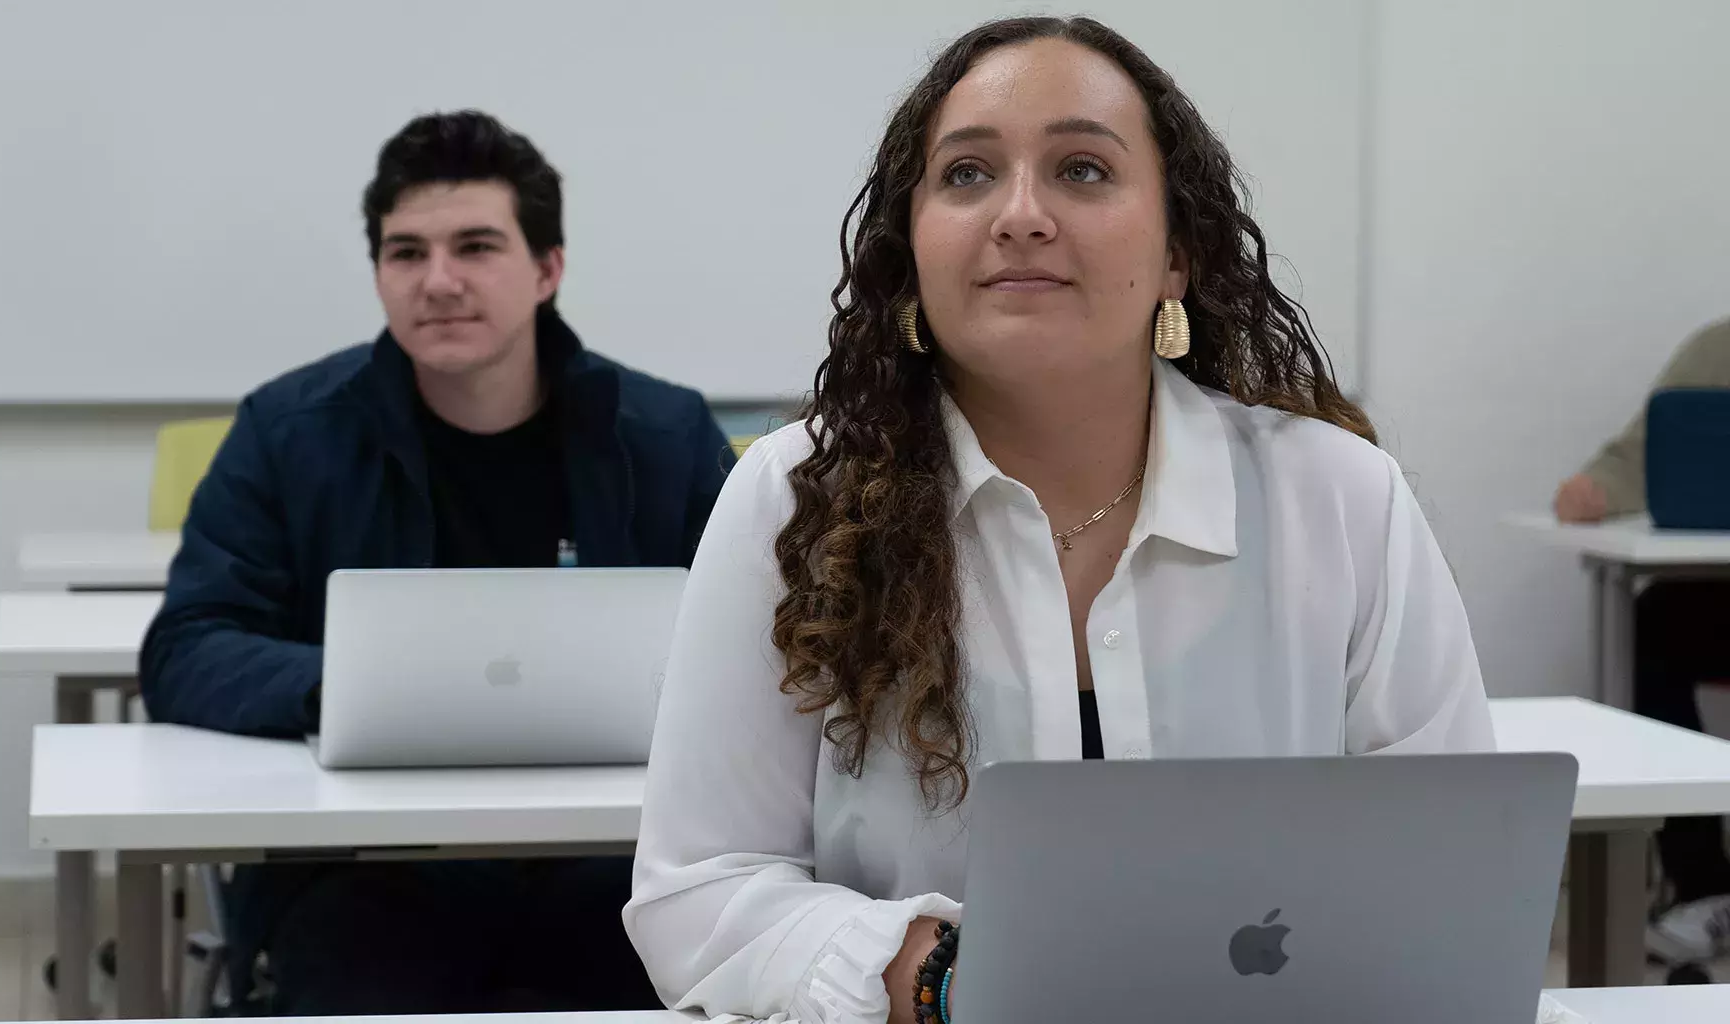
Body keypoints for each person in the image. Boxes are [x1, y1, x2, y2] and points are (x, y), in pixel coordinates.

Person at [622, 16, 1495, 1021]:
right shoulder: (794, 500)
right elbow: (703, 889)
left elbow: (1452, 876)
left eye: (1083, 170)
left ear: (1178, 256)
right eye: (966, 175)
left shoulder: (1343, 499)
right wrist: (944, 978)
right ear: (910, 253)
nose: (1022, 214)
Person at [139, 110, 734, 1014]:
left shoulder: (662, 436)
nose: (438, 281)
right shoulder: (288, 431)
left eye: (475, 247)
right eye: (405, 252)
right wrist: (356, 689)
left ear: (547, 269)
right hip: (367, 867)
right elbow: (186, 643)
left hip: (623, 865)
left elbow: (777, 644)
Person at [1553, 317, 1730, 966]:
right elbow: (1642, 451)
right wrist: (1596, 488)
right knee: (1655, 618)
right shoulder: (1721, 346)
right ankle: (1706, 885)